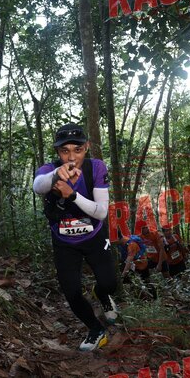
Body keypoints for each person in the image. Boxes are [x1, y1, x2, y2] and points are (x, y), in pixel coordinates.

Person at [32, 123, 118, 351]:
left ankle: (102, 294)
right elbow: (38, 186)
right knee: (71, 293)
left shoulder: (96, 167)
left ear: (86, 147)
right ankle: (96, 329)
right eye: (65, 151)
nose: (71, 157)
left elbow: (101, 212)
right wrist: (55, 175)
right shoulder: (49, 170)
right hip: (64, 242)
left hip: (95, 237)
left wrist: (72, 195)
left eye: (77, 150)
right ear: (57, 151)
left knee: (109, 283)